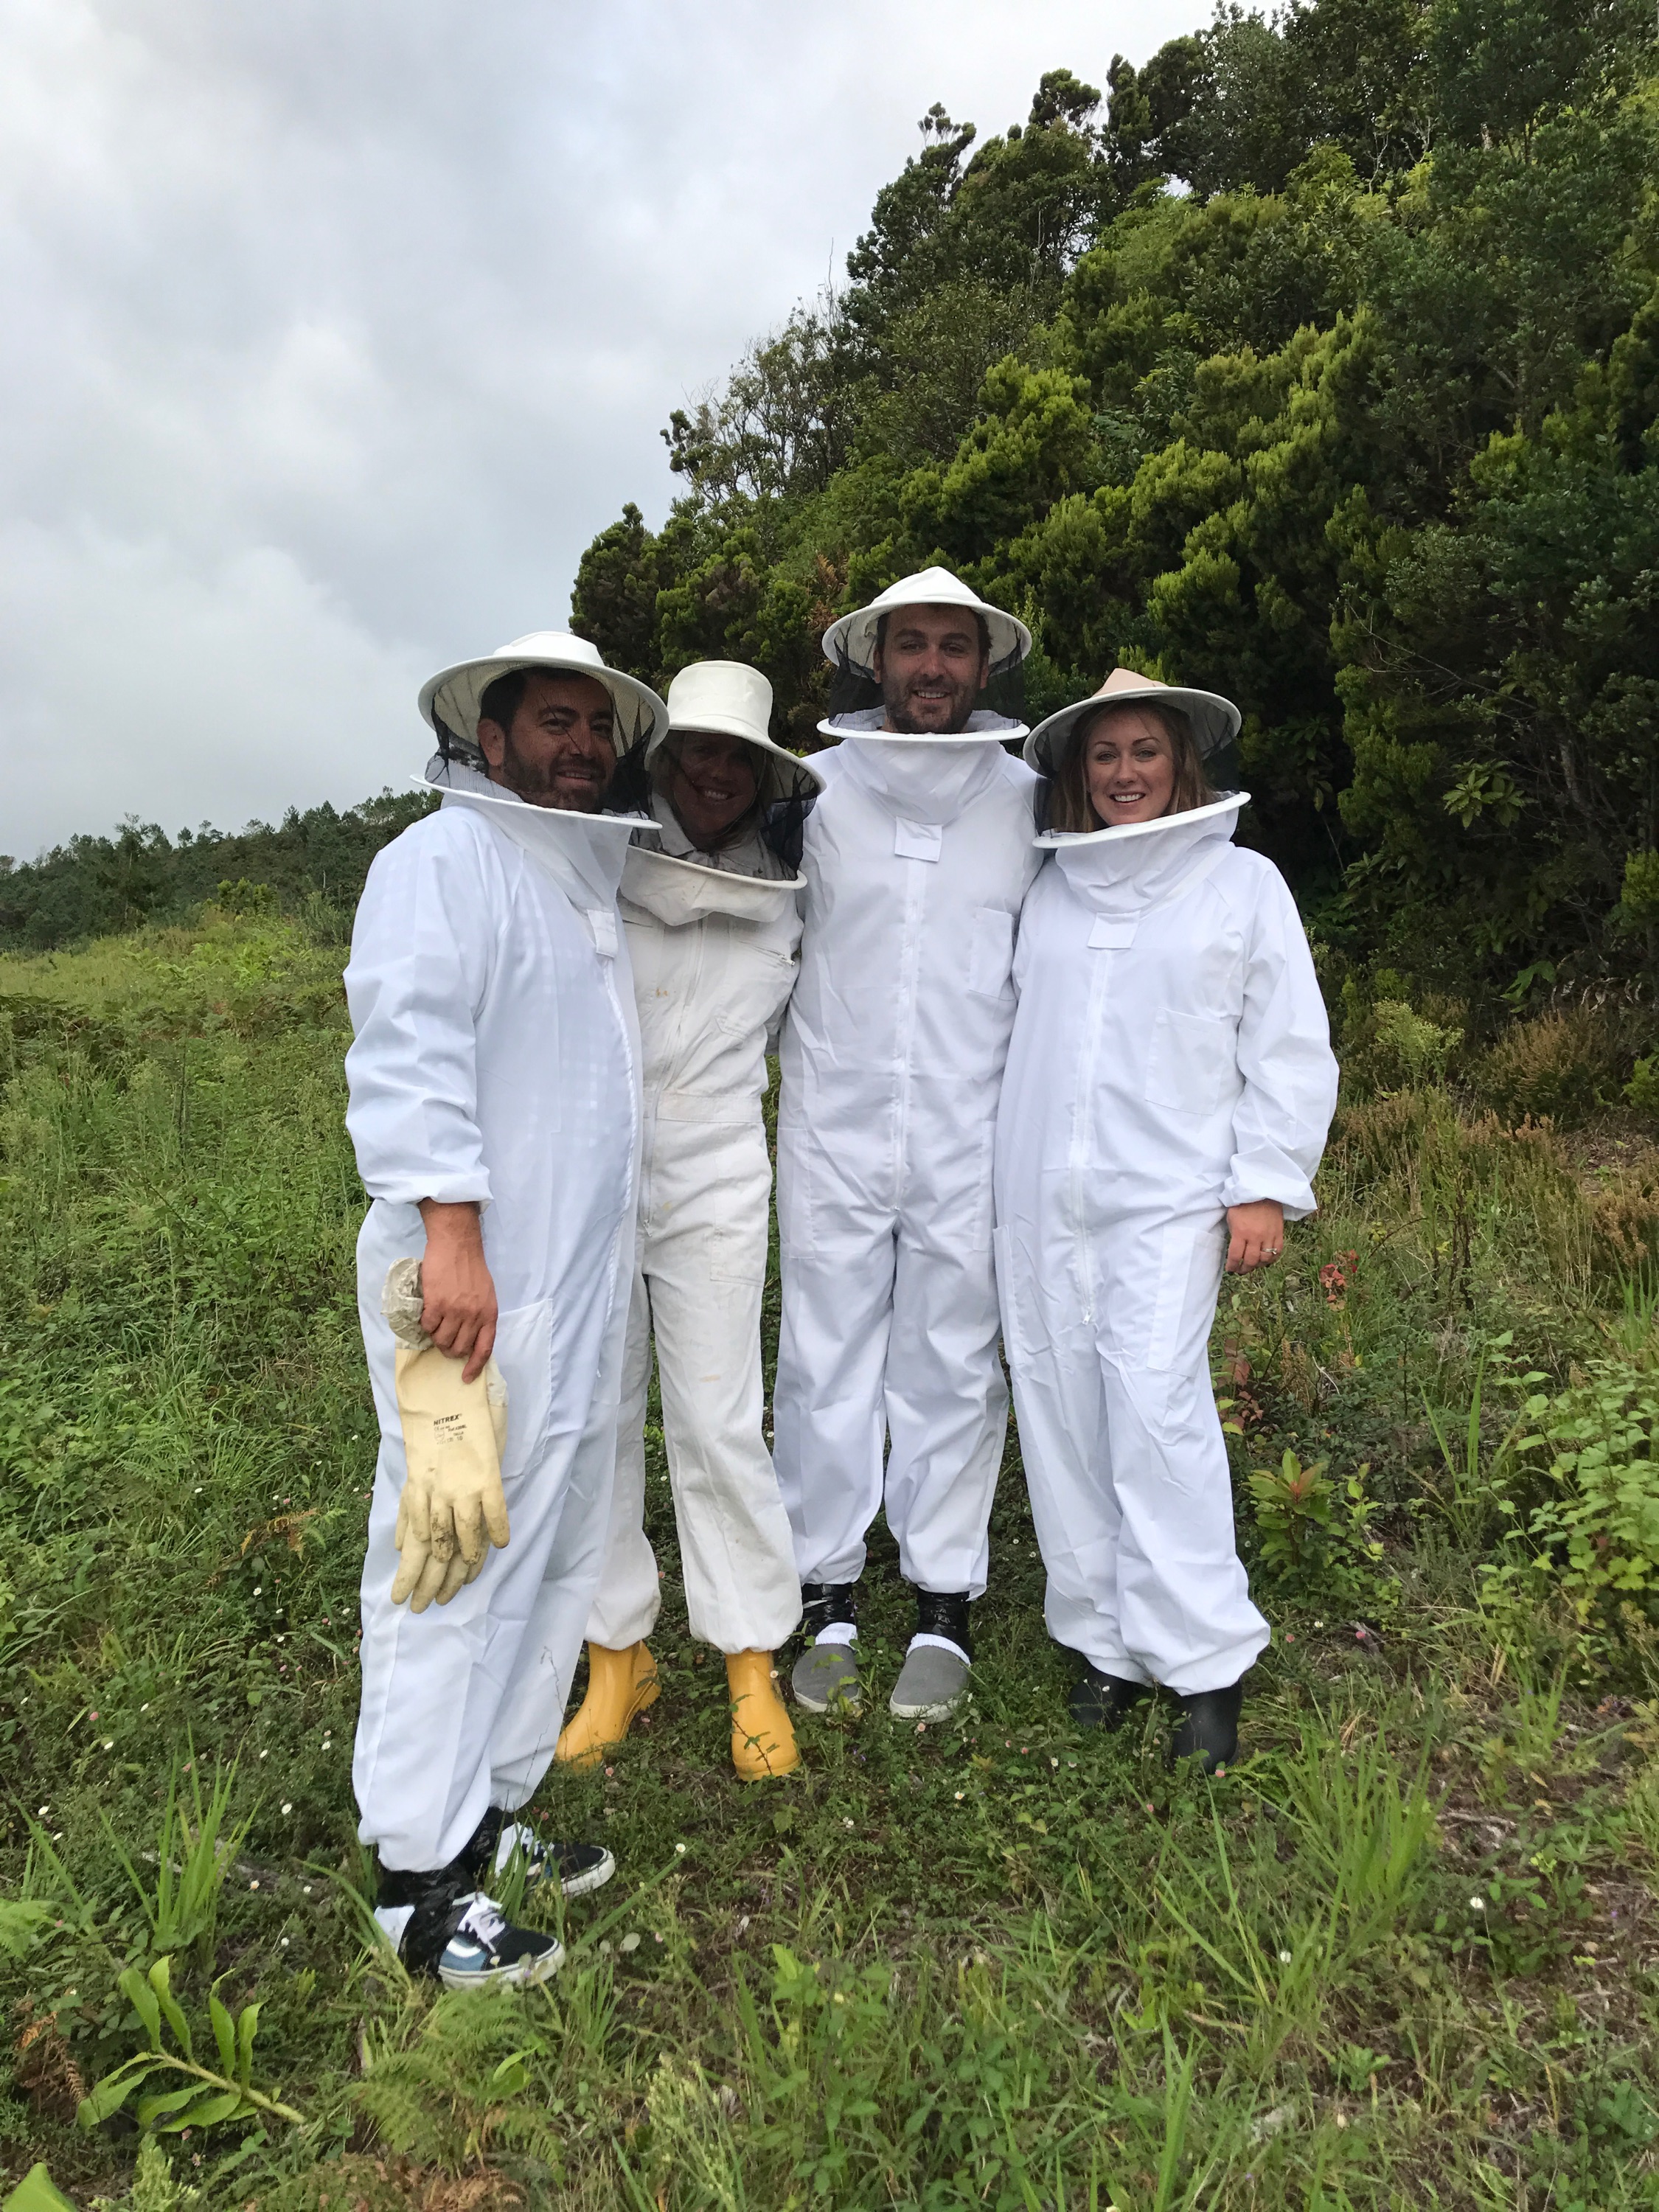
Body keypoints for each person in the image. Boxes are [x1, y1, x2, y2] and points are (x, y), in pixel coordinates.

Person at [344, 630, 666, 1986]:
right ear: (491, 740)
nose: (579, 746)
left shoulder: (580, 880)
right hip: (470, 1286)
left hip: (569, 1285)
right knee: (447, 1551)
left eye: (594, 726)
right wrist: (454, 1238)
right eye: (551, 723)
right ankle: (414, 1877)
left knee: (541, 1548)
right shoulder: (442, 862)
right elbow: (409, 1049)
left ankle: (492, 1816)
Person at [993, 667, 1339, 1770]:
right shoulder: (1048, 891)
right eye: (1103, 755)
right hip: (1040, 1195)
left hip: (1171, 1199)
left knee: (1154, 1413)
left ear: (1180, 760)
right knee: (1059, 1410)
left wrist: (1263, 1182)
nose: (1123, 773)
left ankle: (1201, 1663)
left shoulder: (1242, 884)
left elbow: (1285, 1040)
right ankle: (1102, 1639)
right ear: (1076, 772)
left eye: (1143, 751)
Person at [773, 566, 1043, 1722]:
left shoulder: (1031, 802)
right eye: (910, 646)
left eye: (953, 647)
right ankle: (825, 1591)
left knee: (950, 1361)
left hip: (969, 1127)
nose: (931, 666)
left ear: (985, 667)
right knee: (824, 1356)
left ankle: (942, 1602)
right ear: (871, 661)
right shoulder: (812, 794)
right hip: (830, 1121)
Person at [553, 660, 824, 1780]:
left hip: (717, 1155)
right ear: (660, 762)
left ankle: (749, 1659)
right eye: (696, 752)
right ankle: (617, 1654)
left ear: (761, 777)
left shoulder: (796, 889)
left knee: (719, 1418)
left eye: (737, 758)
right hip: (590, 1154)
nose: (715, 772)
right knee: (594, 1411)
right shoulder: (595, 859)